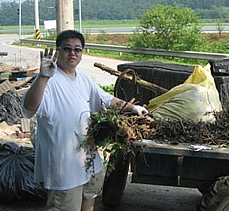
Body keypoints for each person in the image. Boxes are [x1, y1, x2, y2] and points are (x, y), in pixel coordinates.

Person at [22, 30, 148, 211]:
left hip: (88, 160)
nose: (72, 53)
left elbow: (106, 99)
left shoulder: (83, 78)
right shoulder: (49, 80)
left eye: (77, 49)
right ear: (58, 51)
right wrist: (42, 77)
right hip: (63, 165)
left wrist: (133, 107)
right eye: (67, 49)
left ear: (82, 53)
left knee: (89, 200)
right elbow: (29, 107)